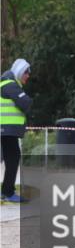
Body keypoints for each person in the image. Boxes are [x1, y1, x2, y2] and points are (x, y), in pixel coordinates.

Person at [1, 59, 32, 203]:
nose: (28, 75)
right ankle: (8, 192)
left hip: (7, 131)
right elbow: (25, 102)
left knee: (12, 158)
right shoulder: (10, 85)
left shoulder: (9, 84)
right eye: (27, 72)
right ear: (20, 71)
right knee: (13, 158)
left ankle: (6, 191)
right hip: (5, 130)